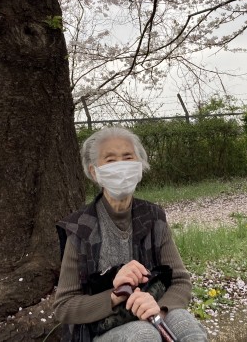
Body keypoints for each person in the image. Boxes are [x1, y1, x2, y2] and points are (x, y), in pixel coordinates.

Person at [54, 127, 208, 342]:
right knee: (143, 335)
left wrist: (160, 309)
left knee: (186, 325)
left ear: (139, 166)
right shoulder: (80, 228)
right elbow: (64, 306)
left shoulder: (154, 217)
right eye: (110, 160)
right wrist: (114, 296)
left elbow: (180, 280)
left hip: (152, 312)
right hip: (101, 331)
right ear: (94, 172)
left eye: (128, 157)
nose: (121, 166)